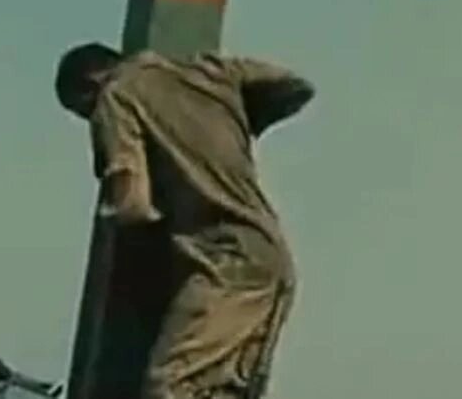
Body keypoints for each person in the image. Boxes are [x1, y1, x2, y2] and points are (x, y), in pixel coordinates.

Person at [55, 43, 315, 399]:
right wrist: (231, 126)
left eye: (83, 112)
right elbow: (296, 87)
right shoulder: (211, 72)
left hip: (223, 263)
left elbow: (132, 205)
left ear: (90, 85)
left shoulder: (116, 96)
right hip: (270, 259)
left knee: (170, 386)